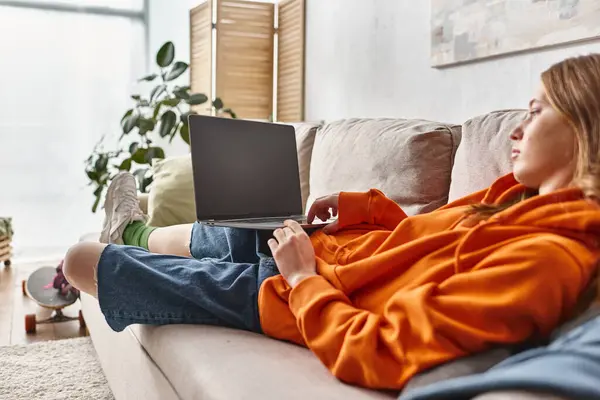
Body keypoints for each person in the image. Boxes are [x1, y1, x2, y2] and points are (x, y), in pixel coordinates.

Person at [64, 54, 600, 393]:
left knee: (80, 260)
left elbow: (382, 349)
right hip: (328, 250)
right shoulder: (515, 197)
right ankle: (135, 231)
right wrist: (360, 209)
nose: (518, 128)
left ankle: (127, 244)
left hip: (291, 293)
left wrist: (302, 281)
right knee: (241, 223)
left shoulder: (548, 258)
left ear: (585, 126)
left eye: (536, 111)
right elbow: (424, 238)